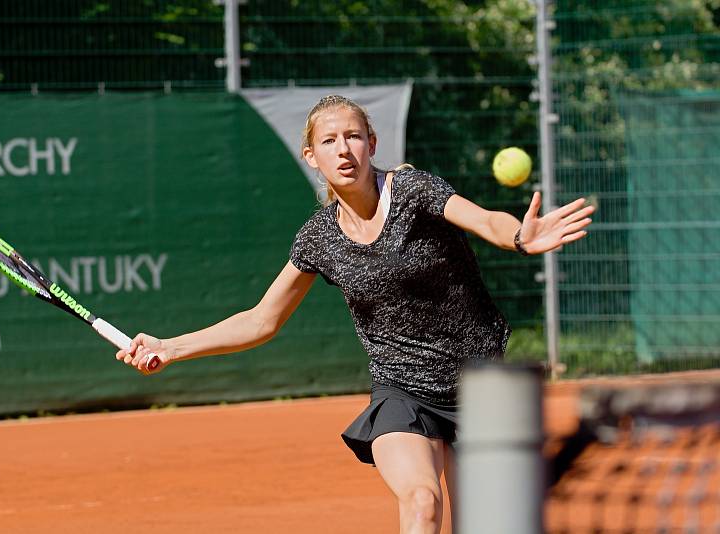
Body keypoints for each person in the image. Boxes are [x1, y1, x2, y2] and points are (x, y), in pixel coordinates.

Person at [117, 94, 594, 533]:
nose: (343, 149)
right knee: (422, 502)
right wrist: (170, 347)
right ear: (312, 157)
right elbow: (263, 319)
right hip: (401, 390)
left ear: (372, 144)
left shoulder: (413, 191)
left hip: (480, 384)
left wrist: (518, 237)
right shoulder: (319, 237)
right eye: (329, 141)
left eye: (353, 136)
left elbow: (486, 220)